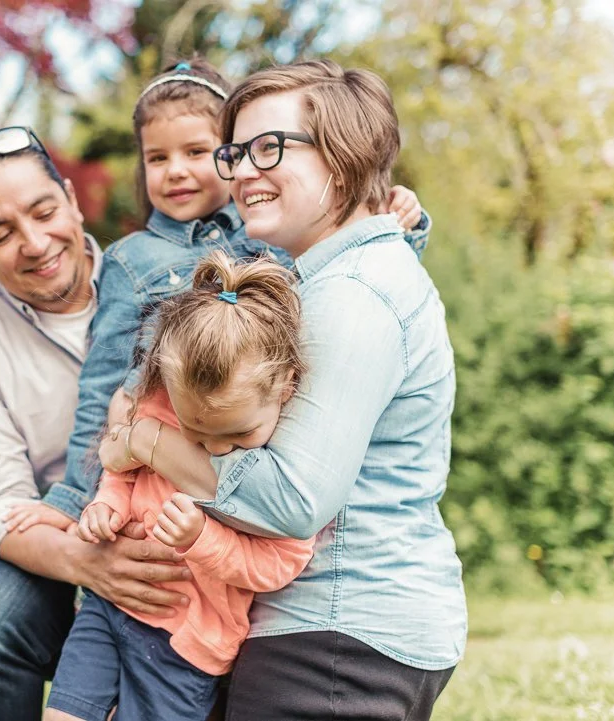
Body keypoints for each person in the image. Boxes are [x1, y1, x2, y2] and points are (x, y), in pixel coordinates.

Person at [105, 59, 467, 720]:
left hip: (337, 635)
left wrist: (147, 441)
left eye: (269, 147)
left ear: (342, 155)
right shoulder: (331, 276)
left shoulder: (351, 297)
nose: (241, 171)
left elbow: (293, 497)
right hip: (331, 633)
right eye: (236, 151)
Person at [4, 59, 430, 537]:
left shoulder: (270, 242)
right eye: (157, 158)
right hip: (170, 464)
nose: (176, 172)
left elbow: (342, 288)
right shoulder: (133, 259)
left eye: (197, 152)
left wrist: (394, 224)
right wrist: (73, 498)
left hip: (246, 457)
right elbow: (103, 383)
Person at [0, 126, 195, 721]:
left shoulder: (162, 276)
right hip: (65, 549)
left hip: (188, 531)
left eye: (44, 211)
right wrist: (88, 564)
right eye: (0, 234)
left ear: (72, 202)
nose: (33, 242)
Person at [42, 251, 315, 721]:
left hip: (185, 640)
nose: (214, 448)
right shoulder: (161, 405)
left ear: (285, 387)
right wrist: (106, 507)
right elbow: (123, 472)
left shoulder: (286, 467)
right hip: (110, 606)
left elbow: (278, 563)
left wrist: (202, 539)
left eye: (237, 435)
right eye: (196, 432)